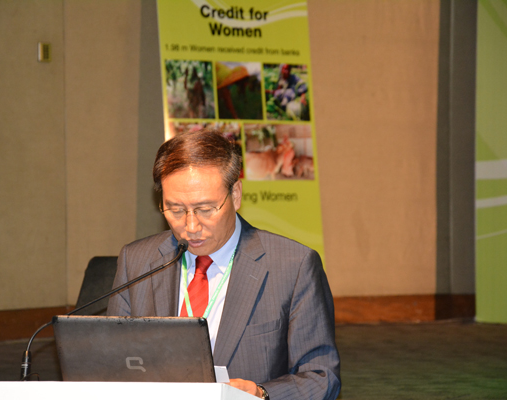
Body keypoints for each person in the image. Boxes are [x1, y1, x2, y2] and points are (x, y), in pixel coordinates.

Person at [107, 129, 340, 399]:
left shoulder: (293, 266)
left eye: (205, 209)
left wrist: (261, 393)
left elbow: (322, 377)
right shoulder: (136, 261)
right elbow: (111, 364)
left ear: (236, 195)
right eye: (176, 210)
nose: (191, 226)